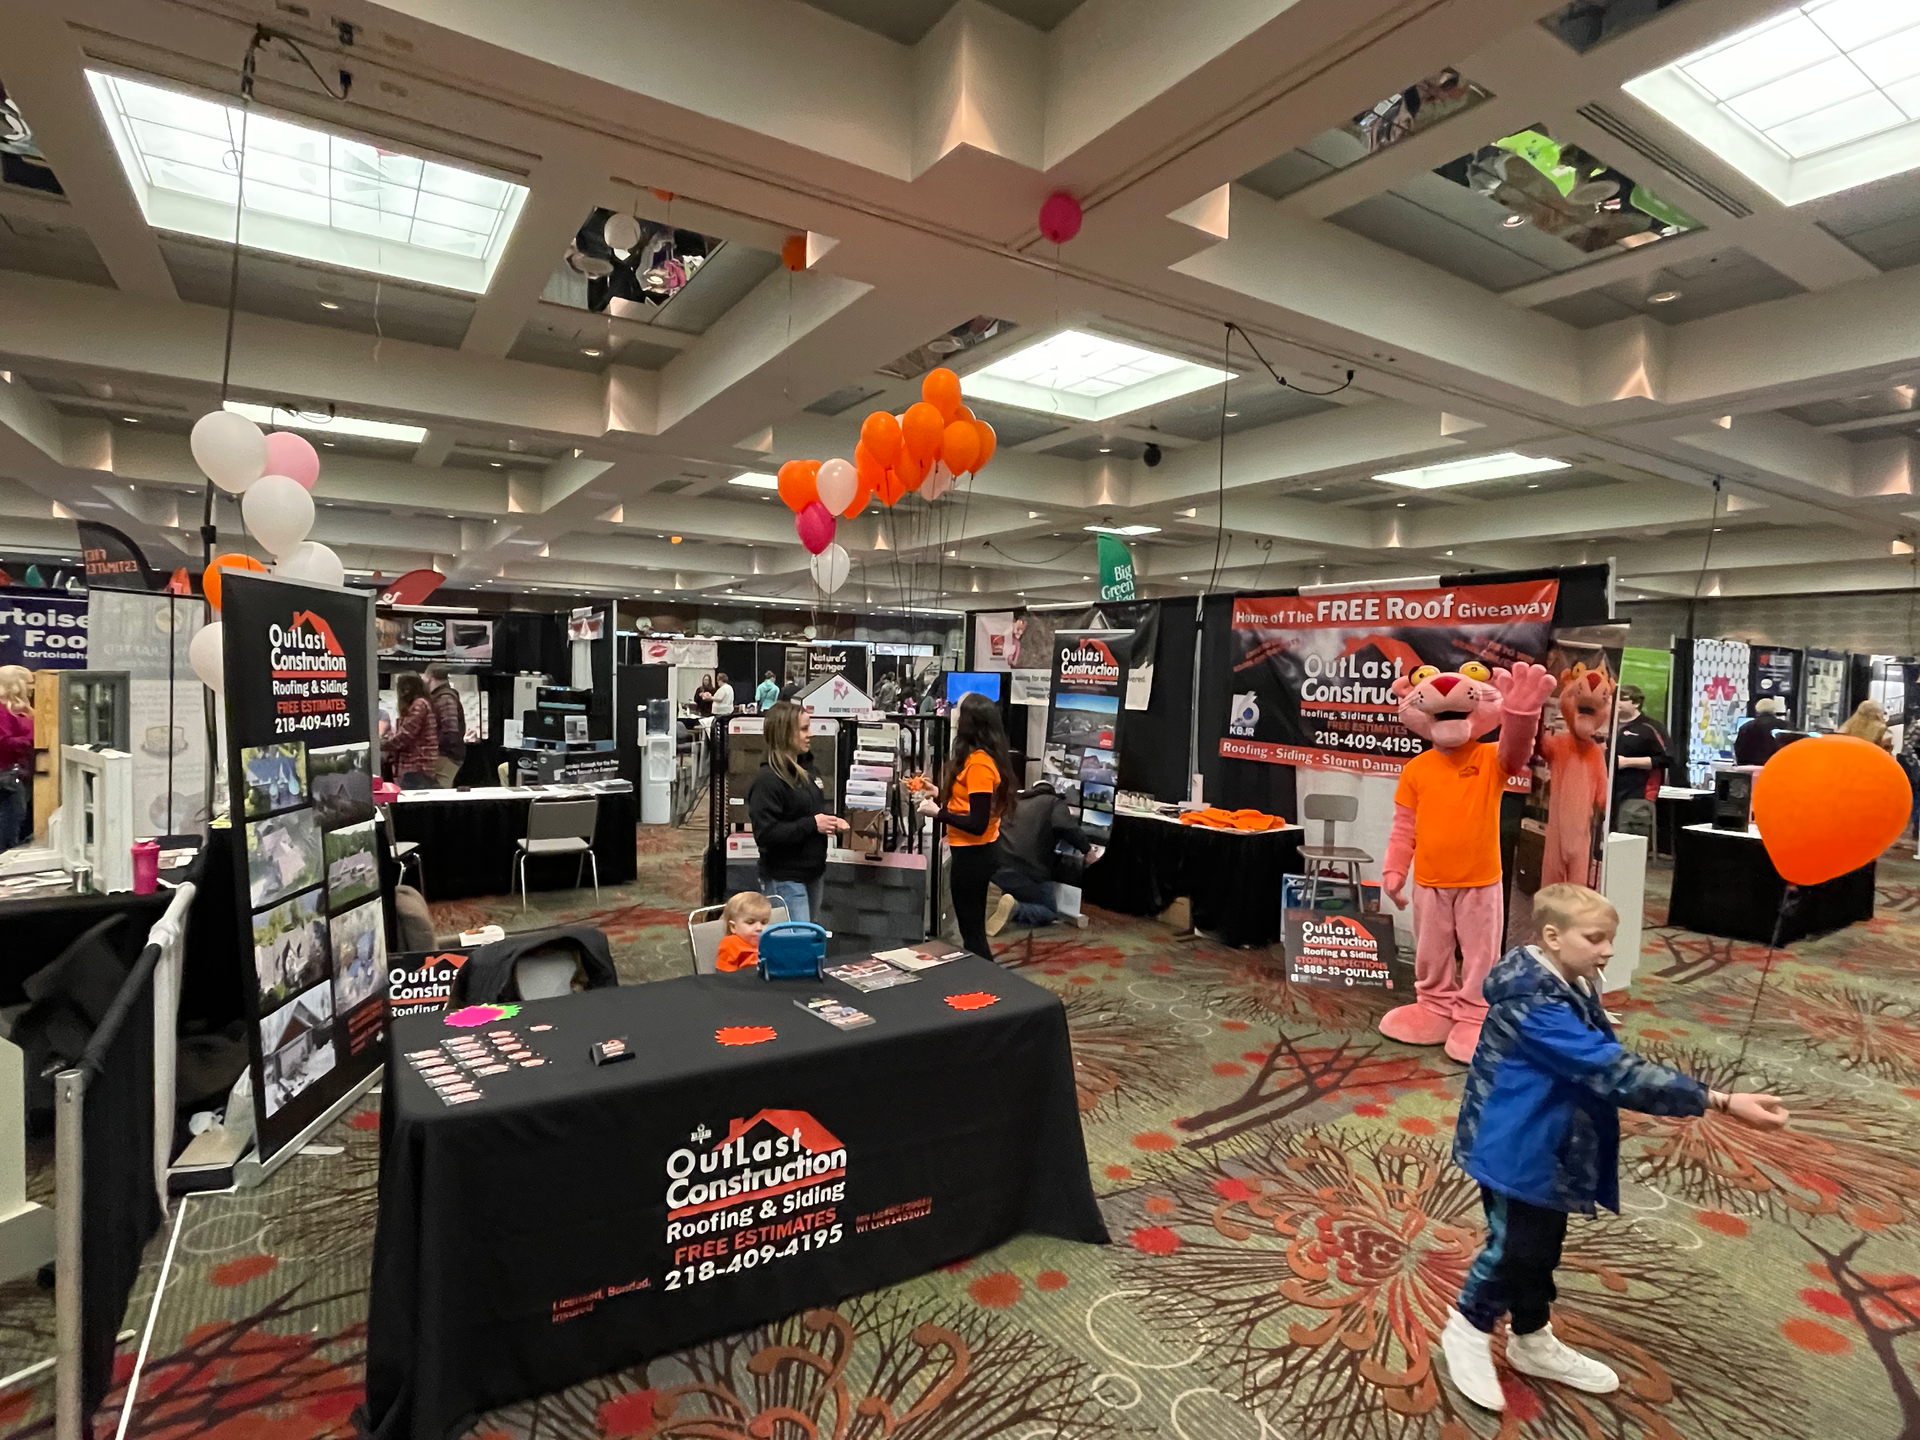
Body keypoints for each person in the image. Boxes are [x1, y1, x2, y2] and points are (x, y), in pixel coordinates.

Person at [1440, 882, 1790, 1413]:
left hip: (1548, 1139)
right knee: (1516, 1246)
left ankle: (1531, 1337)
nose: (1608, 951)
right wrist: (1715, 1099)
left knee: (1541, 1245)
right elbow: (1609, 1068)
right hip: (1515, 1143)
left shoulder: (1567, 977)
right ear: (1553, 937)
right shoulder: (1533, 1001)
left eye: (1611, 939)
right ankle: (1467, 1328)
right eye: (1596, 938)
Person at [917, 692, 1015, 959]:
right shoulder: (976, 760)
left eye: (958, 711)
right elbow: (968, 804)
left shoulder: (980, 765)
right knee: (970, 928)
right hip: (972, 853)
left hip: (975, 855)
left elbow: (977, 823)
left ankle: (985, 984)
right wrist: (937, 792)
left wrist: (938, 813)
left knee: (972, 932)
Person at [748, 700, 846, 923]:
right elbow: (765, 834)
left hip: (813, 874)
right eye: (803, 729)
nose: (810, 734)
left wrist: (829, 821)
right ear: (784, 733)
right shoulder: (768, 781)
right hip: (786, 879)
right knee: (795, 948)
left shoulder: (808, 771)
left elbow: (810, 811)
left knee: (808, 945)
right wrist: (813, 824)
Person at [987, 780, 1091, 935]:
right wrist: (1087, 850)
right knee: (1049, 911)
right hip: (1029, 870)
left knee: (1019, 887)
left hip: (997, 868)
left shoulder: (1014, 801)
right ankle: (1016, 908)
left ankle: (1006, 901)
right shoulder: (1054, 802)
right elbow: (1065, 826)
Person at [1609, 685, 1670, 835]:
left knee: (1628, 840)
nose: (1616, 702)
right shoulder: (1606, 725)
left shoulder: (1650, 727)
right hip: (1607, 792)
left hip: (1637, 793)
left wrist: (1627, 762)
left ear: (1636, 703)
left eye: (1622, 699)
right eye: (1614, 698)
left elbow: (1667, 758)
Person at [0, 666, 34, 852]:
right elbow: (3, 743)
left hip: (17, 776)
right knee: (8, 834)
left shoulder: (15, 709)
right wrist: (33, 741)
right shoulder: (2, 711)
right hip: (7, 778)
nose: (31, 688)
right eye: (29, 683)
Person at [388, 672, 441, 790]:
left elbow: (405, 735)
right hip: (420, 767)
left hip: (416, 767)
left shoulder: (419, 705)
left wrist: (381, 744)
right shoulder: (424, 703)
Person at [423, 664, 467, 787]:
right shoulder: (443, 696)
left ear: (430, 676)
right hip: (448, 755)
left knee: (439, 793)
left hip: (447, 756)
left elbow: (451, 731)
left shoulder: (445, 698)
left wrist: (436, 752)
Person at [715, 890, 771, 972]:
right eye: (750, 922)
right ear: (733, 927)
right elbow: (725, 978)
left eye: (764, 922)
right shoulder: (731, 945)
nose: (759, 928)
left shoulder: (770, 941)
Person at [1733, 696, 1786, 767]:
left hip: (1751, 770)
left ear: (1757, 710)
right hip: (1777, 768)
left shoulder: (1746, 727)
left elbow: (1739, 752)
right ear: (1774, 710)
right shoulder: (1785, 726)